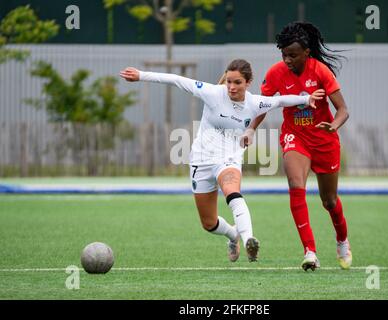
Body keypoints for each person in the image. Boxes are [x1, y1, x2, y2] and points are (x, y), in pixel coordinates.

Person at [120, 59, 324, 263]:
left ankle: (248, 241)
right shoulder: (213, 93)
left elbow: (280, 101)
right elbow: (176, 80)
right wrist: (141, 75)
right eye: (229, 82)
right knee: (208, 223)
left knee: (232, 192)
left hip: (228, 159)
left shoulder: (255, 103)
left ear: (248, 82)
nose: (232, 88)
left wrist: (306, 100)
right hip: (201, 160)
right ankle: (233, 235)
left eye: (237, 83)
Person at [242, 22, 352, 271]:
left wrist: (333, 126)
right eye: (283, 55)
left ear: (307, 52)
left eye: (292, 55)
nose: (287, 60)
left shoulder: (321, 71)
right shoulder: (276, 73)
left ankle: (342, 240)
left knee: (330, 201)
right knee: (295, 186)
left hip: (324, 139)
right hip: (296, 137)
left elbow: (343, 110)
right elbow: (264, 105)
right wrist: (250, 129)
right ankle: (310, 252)